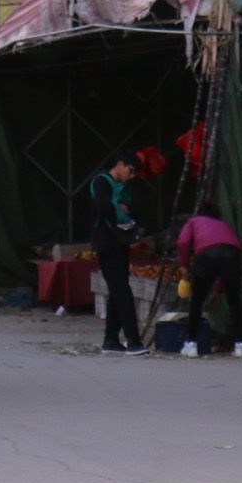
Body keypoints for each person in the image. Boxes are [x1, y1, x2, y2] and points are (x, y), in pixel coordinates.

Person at [87, 152, 145, 354]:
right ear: (120, 164)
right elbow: (103, 207)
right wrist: (121, 211)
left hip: (121, 243)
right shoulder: (101, 182)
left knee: (116, 291)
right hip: (107, 242)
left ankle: (111, 340)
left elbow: (134, 210)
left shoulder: (124, 188)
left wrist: (124, 210)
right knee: (122, 291)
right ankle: (133, 340)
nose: (131, 176)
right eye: (130, 171)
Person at [173, 210, 242, 359]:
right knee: (234, 300)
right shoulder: (223, 224)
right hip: (233, 253)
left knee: (197, 299)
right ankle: (240, 345)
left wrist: (184, 265)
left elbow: (183, 242)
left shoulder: (193, 221)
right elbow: (223, 255)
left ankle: (191, 344)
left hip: (206, 254)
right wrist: (218, 291)